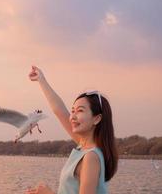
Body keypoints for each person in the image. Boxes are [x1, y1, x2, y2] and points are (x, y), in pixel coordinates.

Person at [25, 66, 118, 194]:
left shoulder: (91, 157)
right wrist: (41, 80)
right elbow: (59, 110)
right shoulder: (83, 146)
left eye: (80, 111)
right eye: (73, 111)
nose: (72, 116)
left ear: (96, 119)